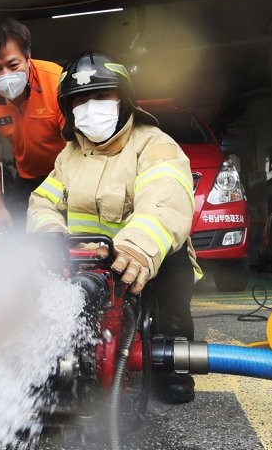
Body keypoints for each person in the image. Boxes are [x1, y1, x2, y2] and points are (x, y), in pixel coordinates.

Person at [26, 50, 201, 404]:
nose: (90, 106)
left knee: (173, 276)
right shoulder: (68, 157)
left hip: (143, 264)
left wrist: (137, 248)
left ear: (123, 99)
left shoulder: (154, 144)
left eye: (100, 95)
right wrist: (48, 233)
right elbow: (42, 202)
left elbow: (163, 200)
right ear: (69, 109)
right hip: (85, 263)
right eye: (80, 100)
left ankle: (172, 367)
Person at [0, 18, 66, 231]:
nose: (6, 76)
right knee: (17, 234)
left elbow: (78, 146)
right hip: (28, 176)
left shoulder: (57, 81)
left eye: (13, 65)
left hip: (68, 174)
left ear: (28, 57)